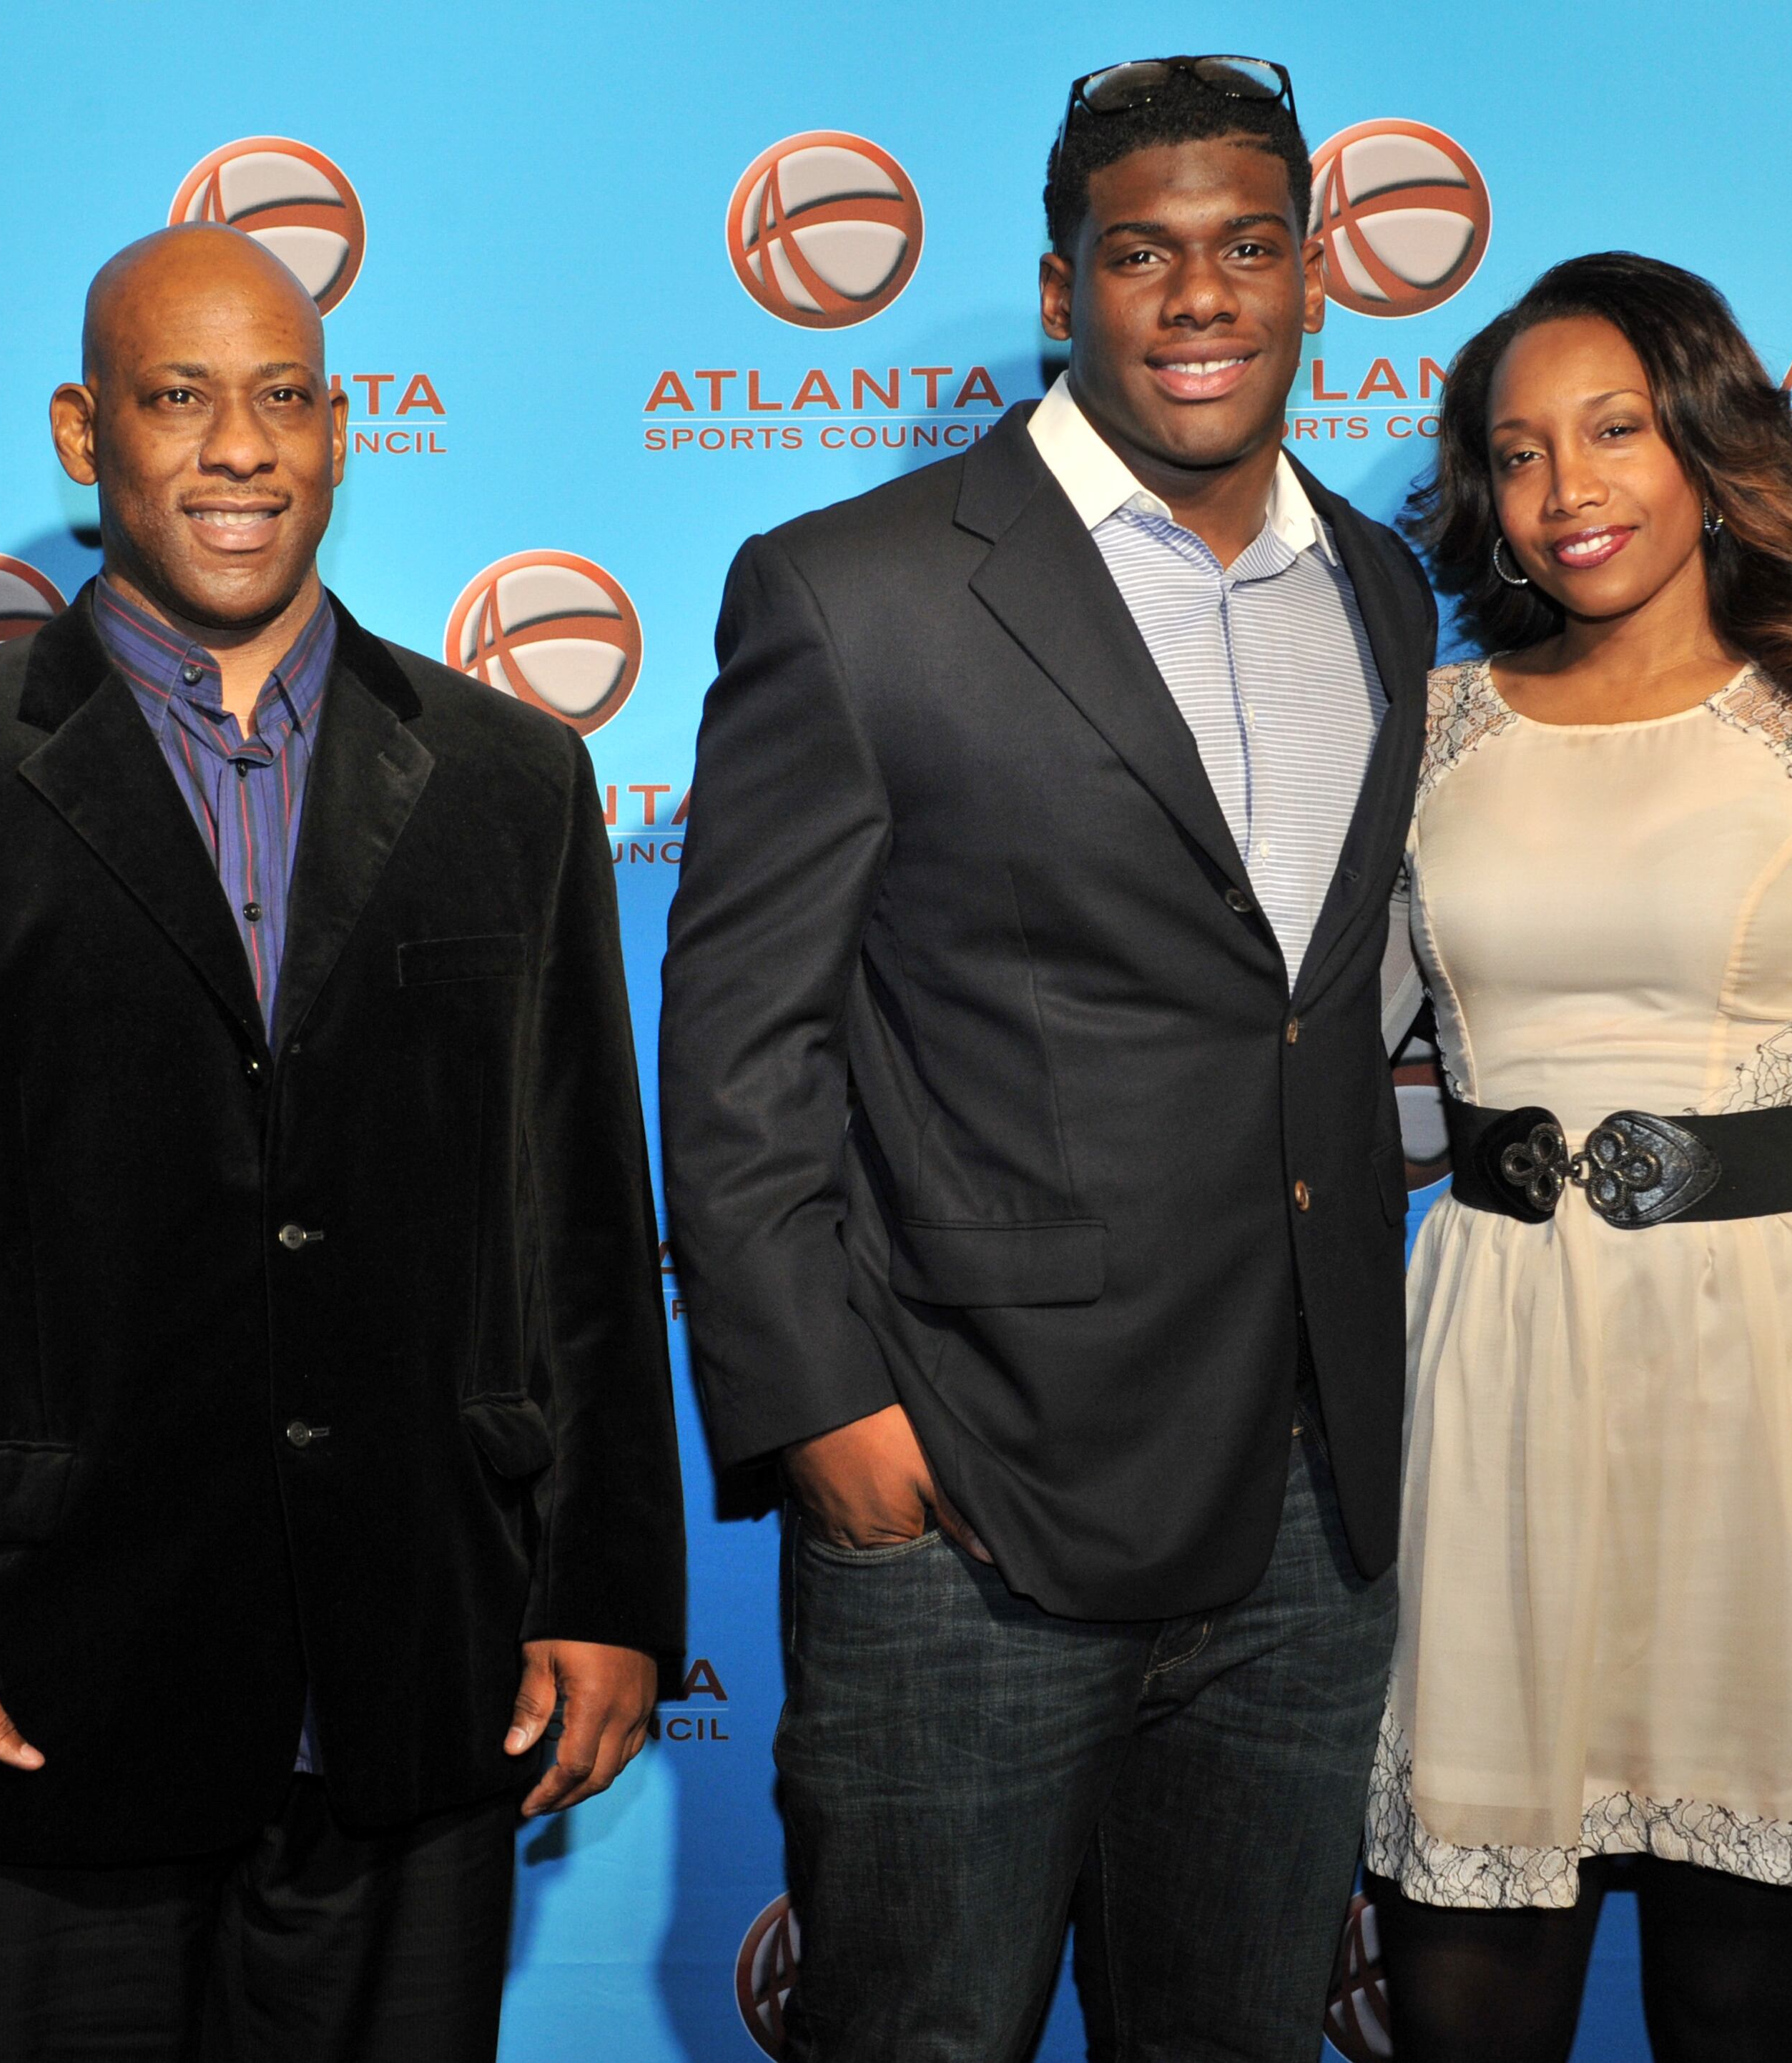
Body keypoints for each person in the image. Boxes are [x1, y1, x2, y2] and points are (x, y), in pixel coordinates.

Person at [0, 224, 684, 2063]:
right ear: (85, 429)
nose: (238, 447)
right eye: (180, 398)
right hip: (34, 1706)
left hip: (421, 1690)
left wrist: (606, 1590)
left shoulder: (513, 780)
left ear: (341, 435)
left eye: (284, 399)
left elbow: (580, 1215)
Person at [661, 54, 1438, 2062]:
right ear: (1060, 288)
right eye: (1145, 254)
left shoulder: (1379, 584)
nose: (1203, 297)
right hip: (973, 1502)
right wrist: (823, 1407)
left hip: (1310, 1505)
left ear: (1314, 277)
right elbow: (742, 1049)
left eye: (1250, 246)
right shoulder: (856, 590)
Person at [1362, 252, 1792, 2062]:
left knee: (1741, 2008)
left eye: (1614, 431)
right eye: (1518, 454)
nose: (1568, 489)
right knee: (1463, 1991)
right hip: (1497, 1375)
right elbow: (1324, 1065)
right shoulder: (1429, 740)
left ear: (1711, 446)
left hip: (1776, 1398)